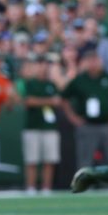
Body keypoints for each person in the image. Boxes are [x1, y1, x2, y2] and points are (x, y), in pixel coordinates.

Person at [63, 44, 108, 170]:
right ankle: (85, 187)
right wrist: (73, 117)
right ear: (86, 63)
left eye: (96, 60)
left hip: (107, 125)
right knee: (85, 160)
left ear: (100, 61)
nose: (93, 63)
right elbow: (64, 98)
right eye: (90, 60)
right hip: (87, 125)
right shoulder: (79, 80)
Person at [20, 56, 61, 194]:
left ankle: (46, 188)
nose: (43, 67)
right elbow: (28, 101)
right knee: (32, 160)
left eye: (45, 64)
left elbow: (59, 100)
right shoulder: (29, 83)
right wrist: (48, 101)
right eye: (40, 64)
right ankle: (31, 187)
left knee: (49, 160)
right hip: (32, 126)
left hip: (49, 127)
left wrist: (44, 101)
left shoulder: (52, 84)